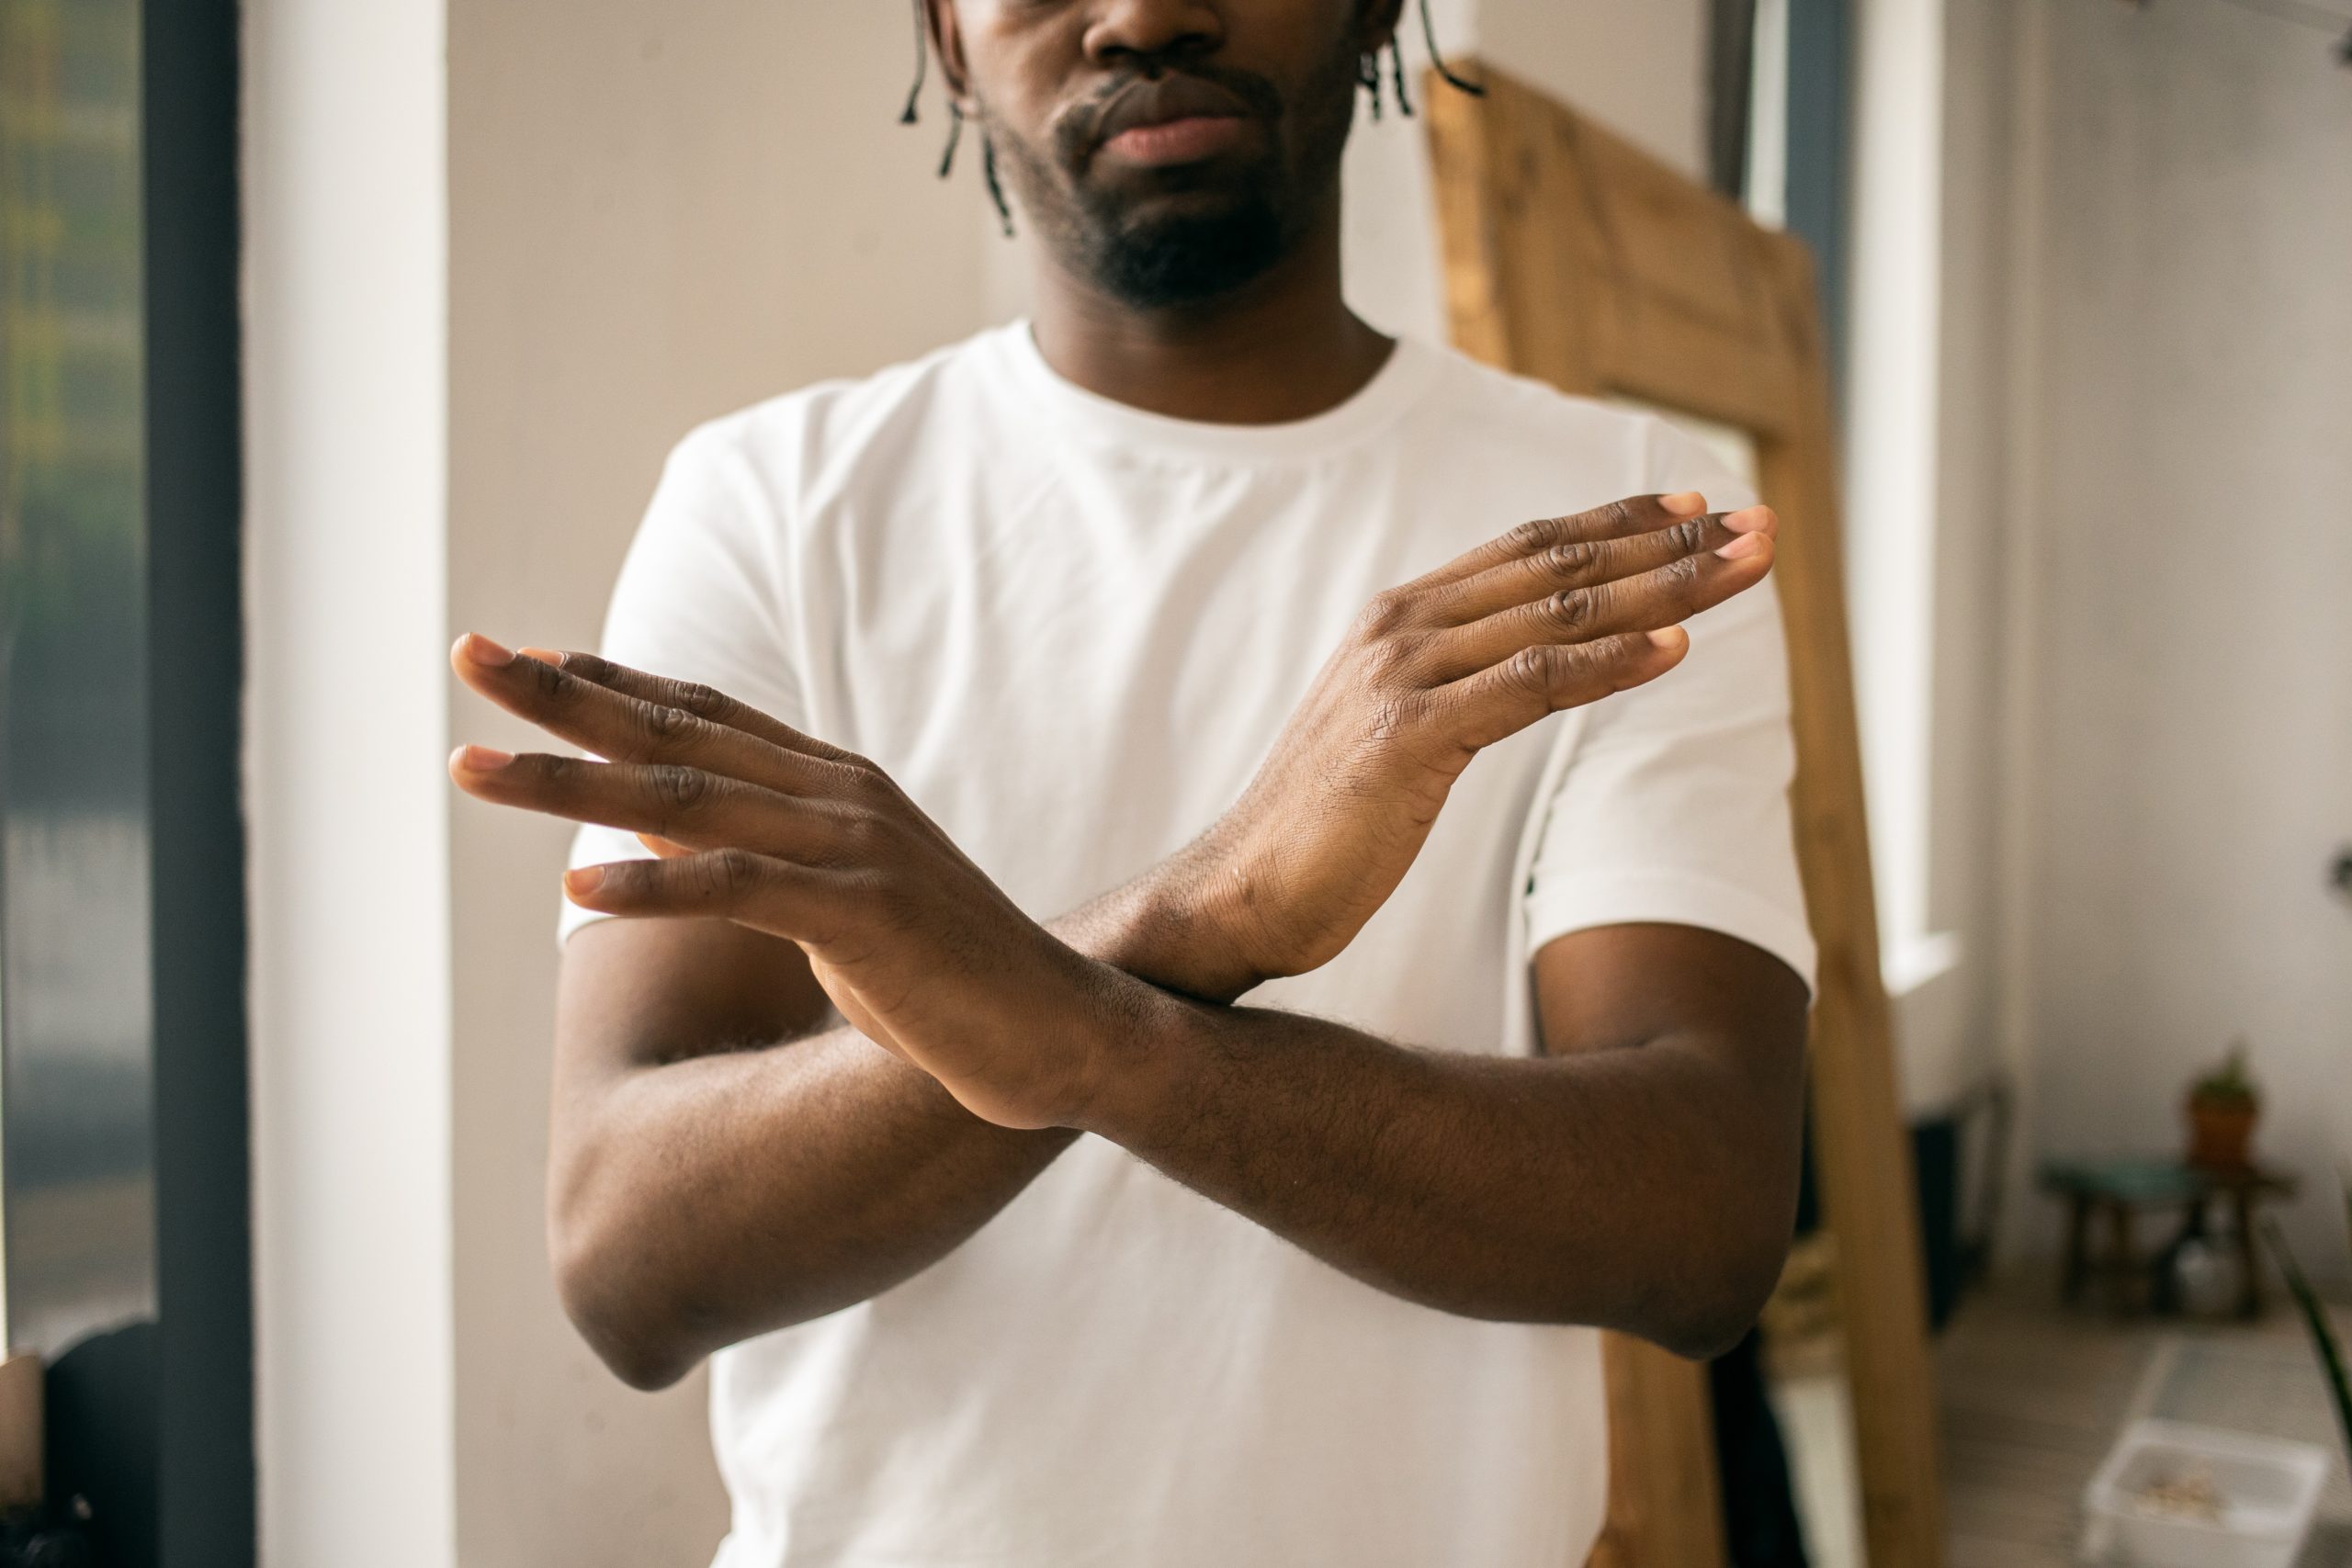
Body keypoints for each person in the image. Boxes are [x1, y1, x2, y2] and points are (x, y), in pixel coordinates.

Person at [448, 2, 1815, 1563]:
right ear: (946, 39)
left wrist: (1095, 1037)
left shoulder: (1613, 537)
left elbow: (1701, 1223)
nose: (1143, 11)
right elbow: (631, 1259)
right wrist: (1192, 920)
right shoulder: (769, 507)